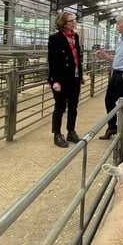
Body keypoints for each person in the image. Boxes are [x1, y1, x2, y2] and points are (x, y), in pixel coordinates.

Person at [95, 14, 123, 140]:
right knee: (109, 100)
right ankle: (112, 127)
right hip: (116, 74)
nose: (117, 25)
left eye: (118, 23)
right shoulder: (122, 39)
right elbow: (118, 58)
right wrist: (104, 56)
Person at [48, 12, 85, 148]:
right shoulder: (55, 39)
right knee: (60, 107)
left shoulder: (74, 36)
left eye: (73, 20)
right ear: (63, 23)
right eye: (70, 21)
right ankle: (57, 134)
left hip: (74, 78)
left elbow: (77, 58)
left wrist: (80, 76)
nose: (73, 23)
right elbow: (53, 61)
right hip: (61, 80)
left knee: (73, 106)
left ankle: (71, 131)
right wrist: (55, 81)